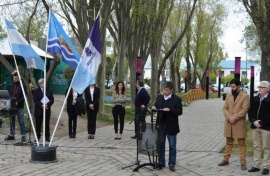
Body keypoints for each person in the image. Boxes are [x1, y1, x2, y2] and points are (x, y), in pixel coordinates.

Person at [218, 78, 250, 171]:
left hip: (239, 123)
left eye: (234, 86)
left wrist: (234, 117)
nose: (232, 88)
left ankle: (243, 162)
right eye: (231, 86)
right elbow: (225, 108)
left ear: (239, 86)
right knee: (228, 142)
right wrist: (229, 117)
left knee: (242, 144)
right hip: (229, 123)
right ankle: (226, 159)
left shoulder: (245, 96)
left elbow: (244, 110)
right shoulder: (228, 96)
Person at [151, 81, 183, 172]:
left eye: (167, 90)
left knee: (172, 145)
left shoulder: (176, 99)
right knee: (160, 143)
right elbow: (156, 106)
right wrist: (153, 108)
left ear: (171, 90)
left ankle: (172, 164)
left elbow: (179, 112)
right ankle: (161, 162)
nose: (165, 91)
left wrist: (170, 110)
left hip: (171, 125)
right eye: (164, 89)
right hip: (161, 124)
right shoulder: (160, 98)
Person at [248, 81, 270, 175]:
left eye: (262, 87)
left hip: (266, 127)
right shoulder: (255, 99)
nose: (259, 88)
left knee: (266, 147)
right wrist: (253, 121)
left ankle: (266, 167)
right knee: (256, 146)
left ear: (267, 90)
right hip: (255, 126)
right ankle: (256, 165)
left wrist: (261, 122)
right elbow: (250, 112)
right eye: (259, 86)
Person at [5, 73, 26, 142]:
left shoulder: (22, 85)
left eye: (16, 78)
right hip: (11, 106)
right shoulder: (9, 84)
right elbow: (6, 94)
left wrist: (18, 102)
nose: (15, 80)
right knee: (12, 120)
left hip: (19, 105)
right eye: (14, 78)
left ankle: (23, 135)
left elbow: (24, 96)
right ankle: (12, 134)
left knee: (21, 120)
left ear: (19, 78)